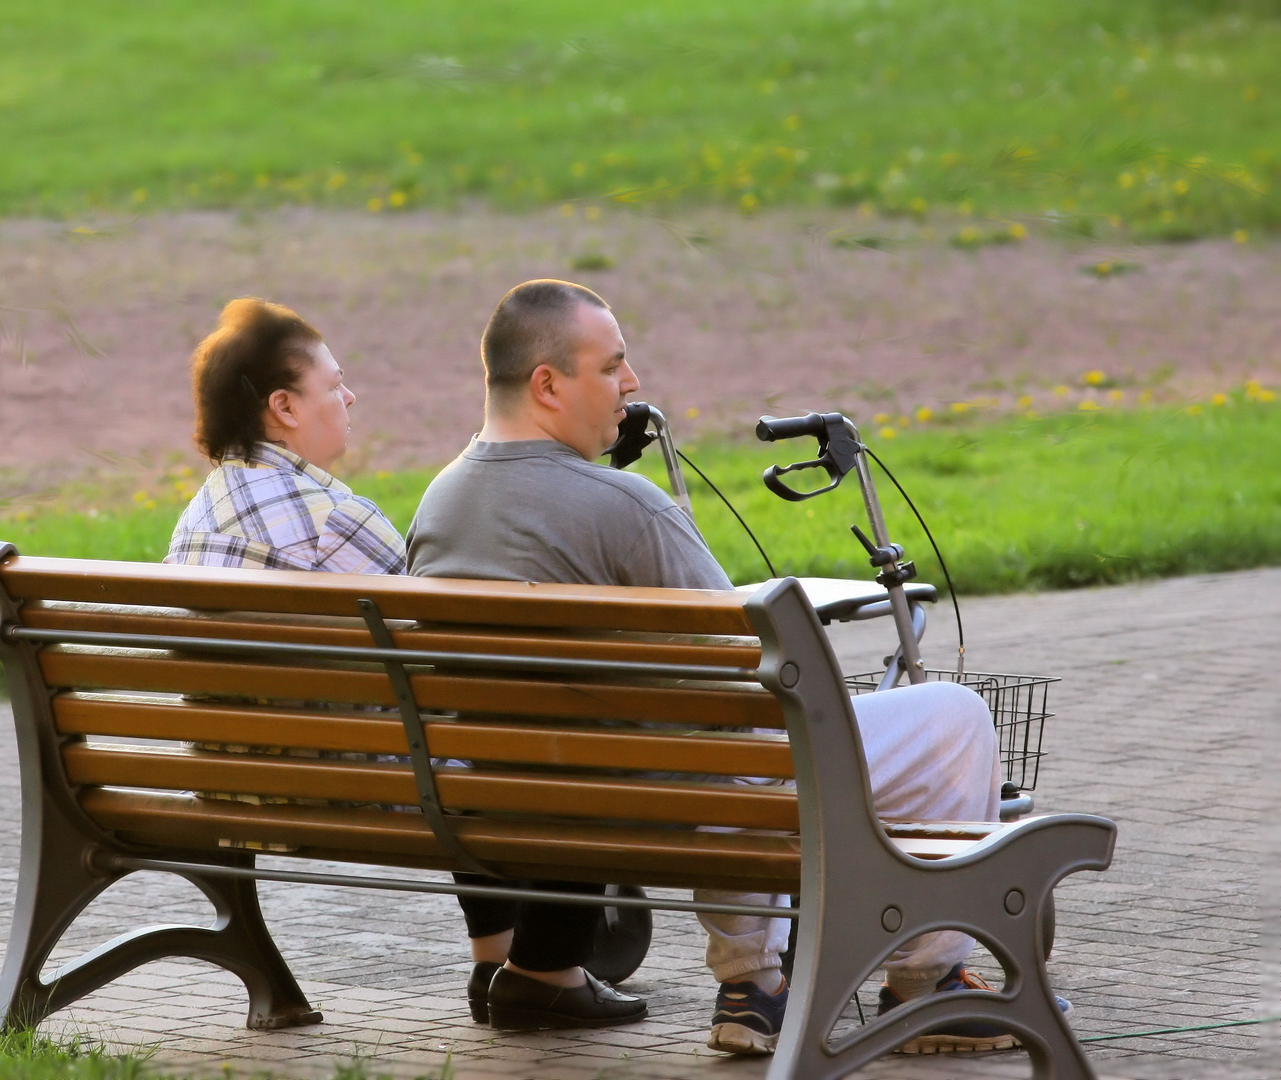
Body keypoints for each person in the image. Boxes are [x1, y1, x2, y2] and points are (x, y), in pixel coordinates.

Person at [407, 279, 1023, 1053]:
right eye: (613, 366)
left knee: (724, 739)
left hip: (518, 797)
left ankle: (755, 987)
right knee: (947, 717)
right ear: (547, 384)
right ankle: (923, 984)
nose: (631, 384)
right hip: (661, 796)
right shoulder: (627, 507)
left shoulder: (439, 505)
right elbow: (754, 681)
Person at [166, 297, 405, 573]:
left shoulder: (192, 526)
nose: (350, 397)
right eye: (334, 386)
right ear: (284, 407)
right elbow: (427, 611)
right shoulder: (336, 521)